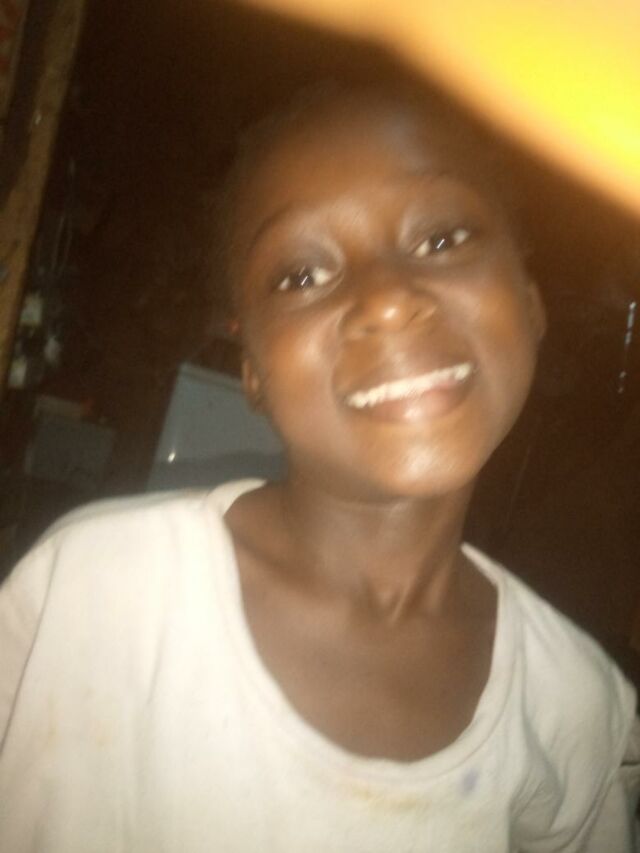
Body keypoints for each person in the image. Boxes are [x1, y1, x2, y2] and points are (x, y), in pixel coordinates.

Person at [0, 85, 638, 852]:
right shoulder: (101, 591)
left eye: (442, 238)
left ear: (530, 306)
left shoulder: (574, 704)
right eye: (301, 275)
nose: (387, 301)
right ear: (253, 371)